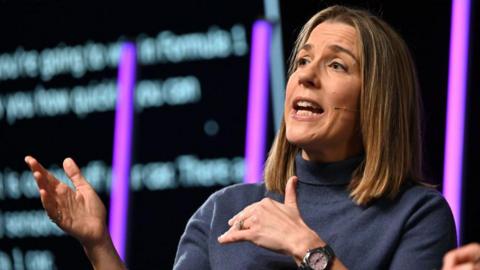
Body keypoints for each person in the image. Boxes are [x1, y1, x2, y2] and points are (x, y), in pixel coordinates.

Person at [25, 5, 457, 270]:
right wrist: (98, 245)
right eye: (302, 60)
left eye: (337, 65)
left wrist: (308, 249)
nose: (304, 74)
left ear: (378, 99)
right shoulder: (223, 211)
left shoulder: (417, 215)